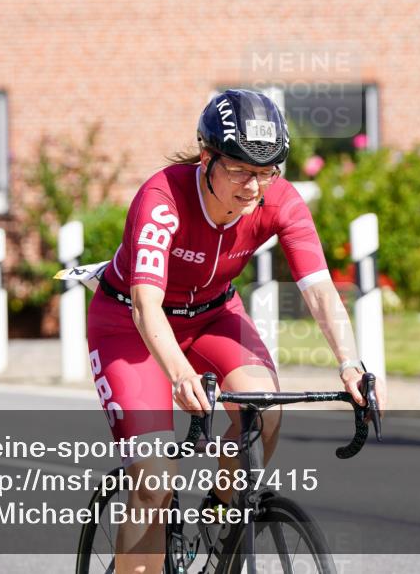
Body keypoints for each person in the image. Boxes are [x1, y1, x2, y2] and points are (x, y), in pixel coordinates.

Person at [87, 89, 380, 573]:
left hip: (213, 314)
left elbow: (321, 291)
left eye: (267, 172)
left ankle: (221, 519)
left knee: (262, 411)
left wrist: (351, 364)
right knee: (155, 479)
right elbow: (145, 305)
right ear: (207, 157)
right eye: (241, 169)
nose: (253, 186)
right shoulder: (161, 199)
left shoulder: (279, 199)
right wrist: (180, 375)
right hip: (129, 325)